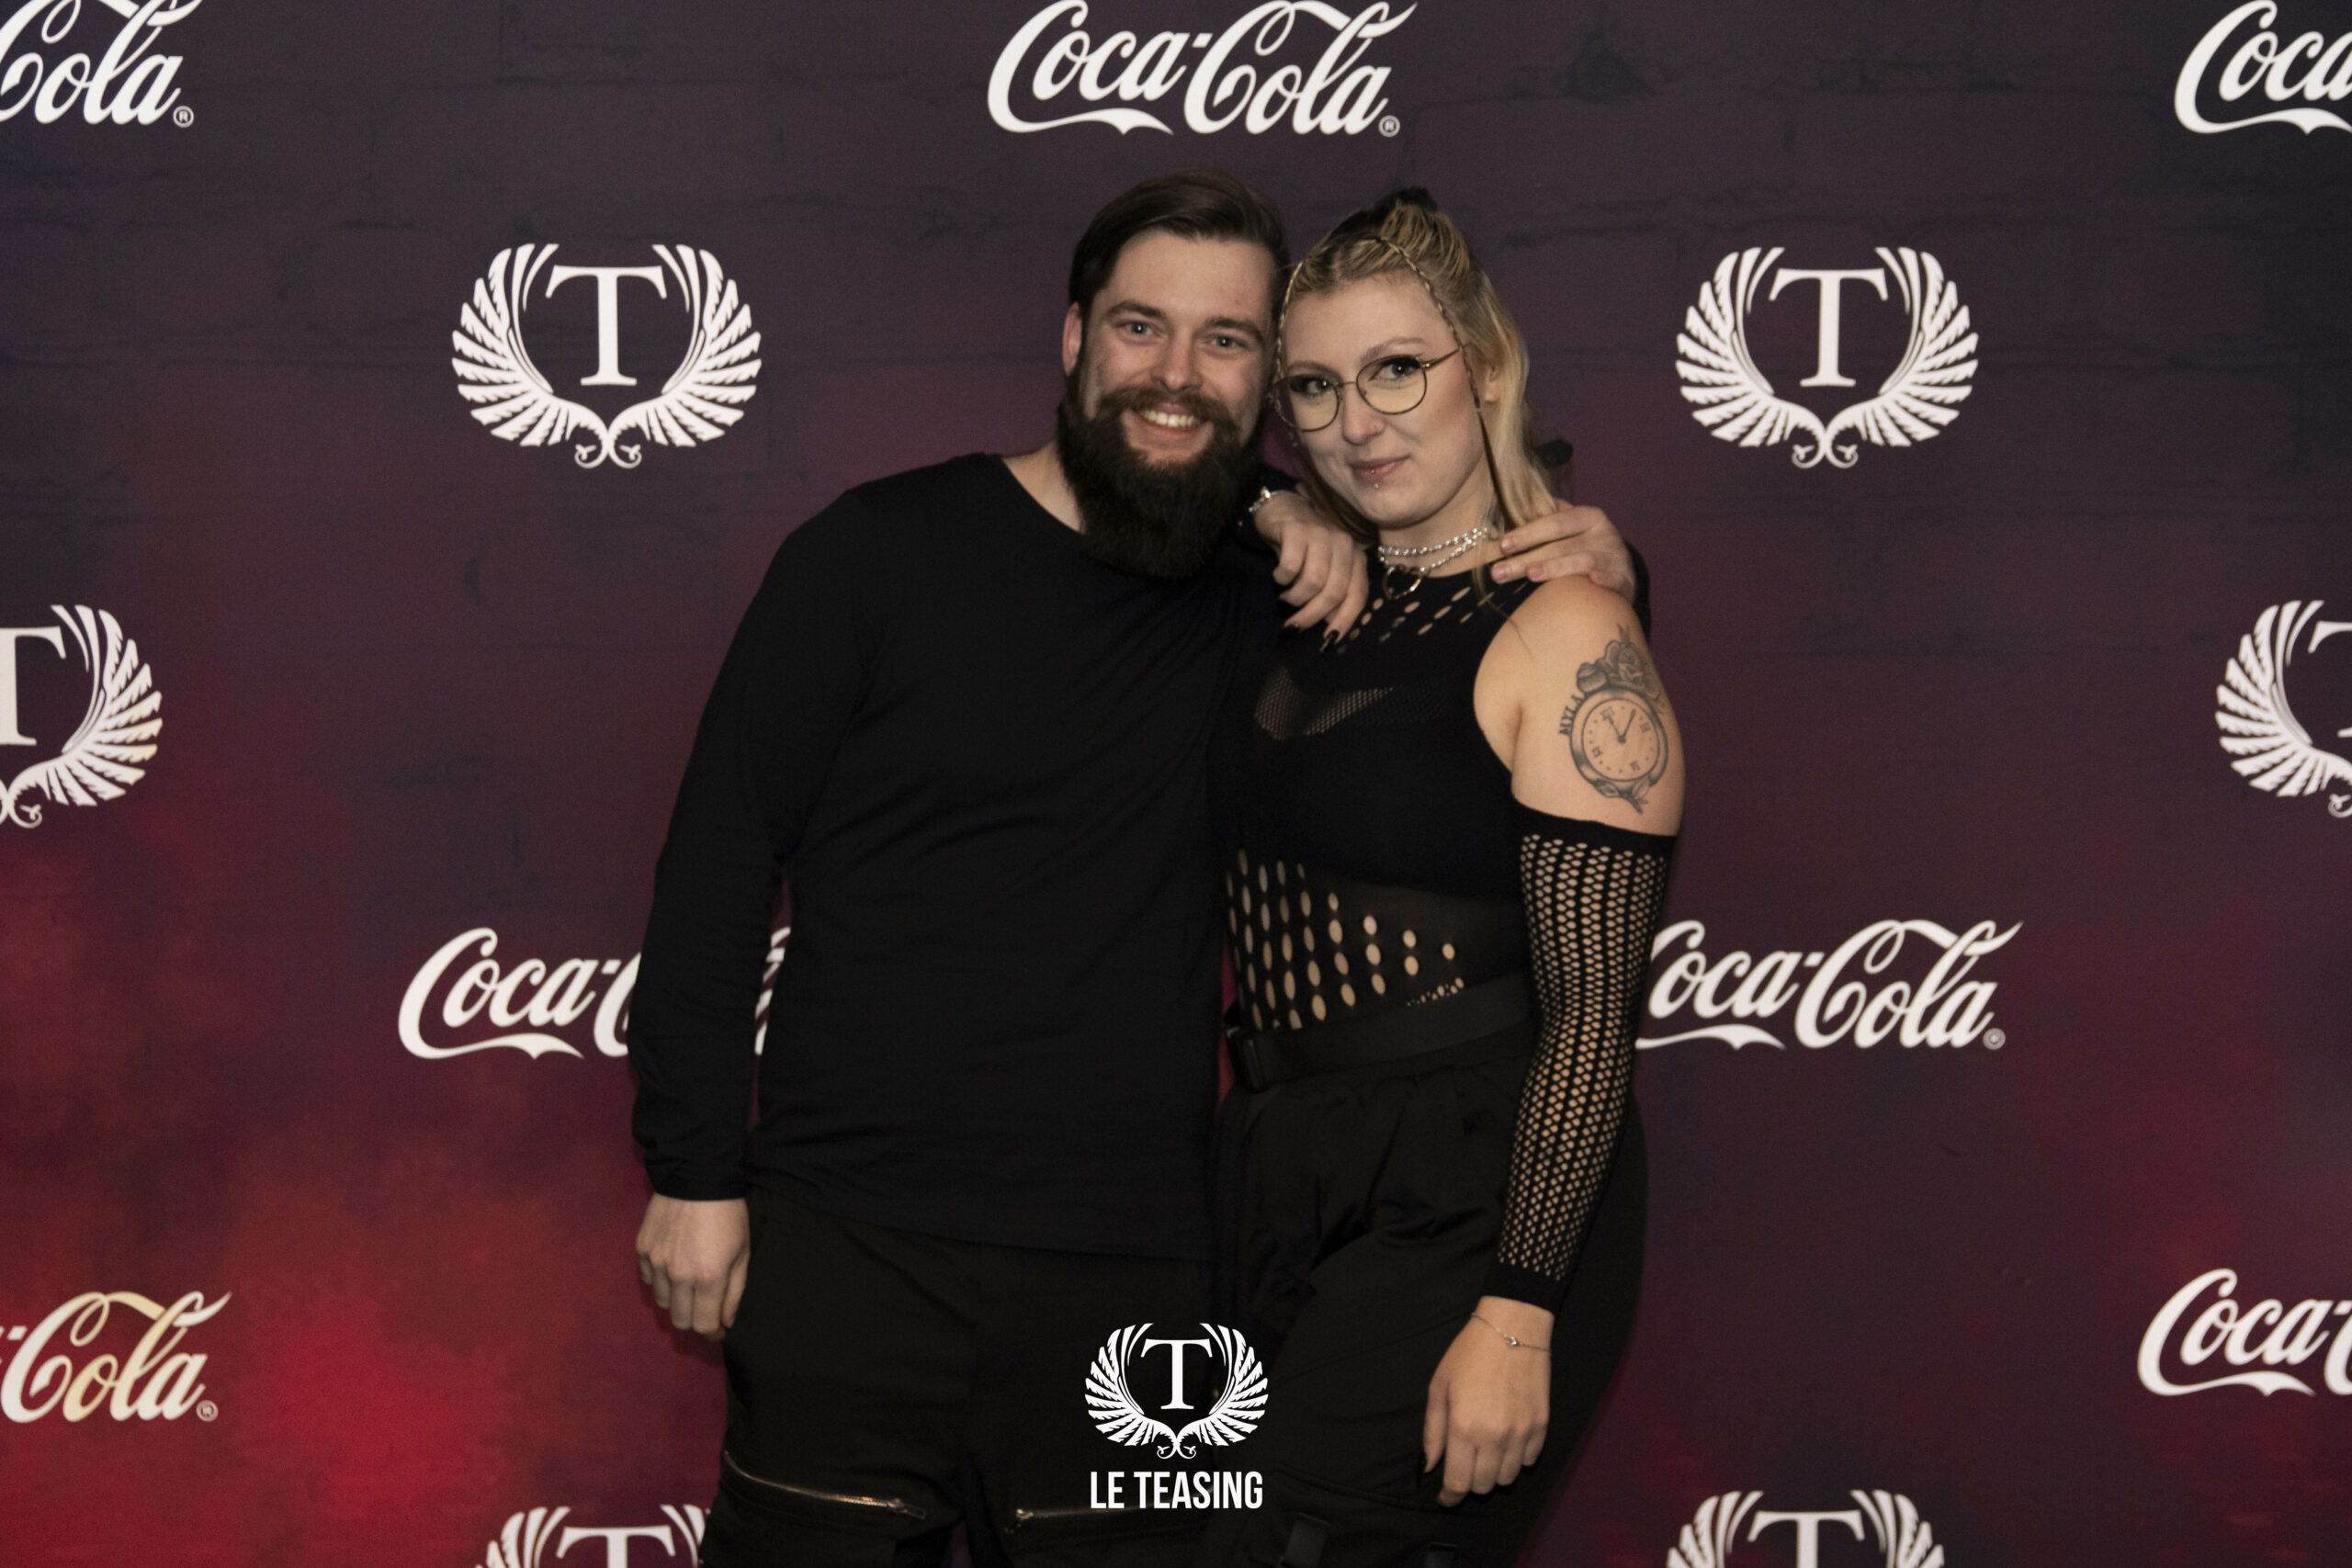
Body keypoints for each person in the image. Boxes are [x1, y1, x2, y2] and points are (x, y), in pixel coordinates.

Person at [624, 168, 1641, 1568]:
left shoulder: (1274, 599)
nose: (1176, 375)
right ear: (1073, 337)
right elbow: (719, 861)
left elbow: (1495, 663)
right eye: (1141, 326)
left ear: (1261, 387)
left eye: (1227, 343)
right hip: (852, 1242)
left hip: (1145, 1289)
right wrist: (692, 1171)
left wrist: (1613, 570)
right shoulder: (874, 556)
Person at [1198, 189, 1683, 1568]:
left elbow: (1592, 1017)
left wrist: (1518, 1313)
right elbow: (1122, 462)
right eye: (1314, 387)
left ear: (1488, 364)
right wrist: (1269, 503)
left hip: (1472, 1185)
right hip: (1270, 1168)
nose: (1360, 420)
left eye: (1398, 369)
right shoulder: (1295, 597)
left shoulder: (1567, 625)